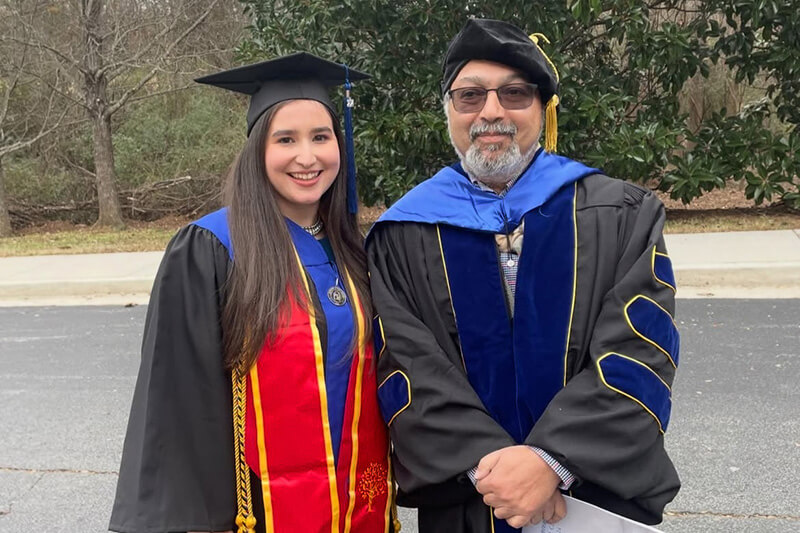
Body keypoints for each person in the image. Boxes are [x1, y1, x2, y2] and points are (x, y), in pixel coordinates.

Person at [367, 18, 680, 533]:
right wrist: (496, 471)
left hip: (591, 498)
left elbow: (639, 349)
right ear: (448, 111)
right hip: (470, 501)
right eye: (470, 96)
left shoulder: (623, 213)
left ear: (543, 108)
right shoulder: (403, 232)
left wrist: (551, 463)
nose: (491, 111)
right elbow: (405, 362)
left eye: (514, 93)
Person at [110, 53, 393, 533]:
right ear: (258, 149)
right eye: (286, 139)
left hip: (357, 507)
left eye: (321, 137)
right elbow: (177, 405)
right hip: (253, 511)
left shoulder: (355, 250)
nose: (308, 157)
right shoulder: (211, 248)